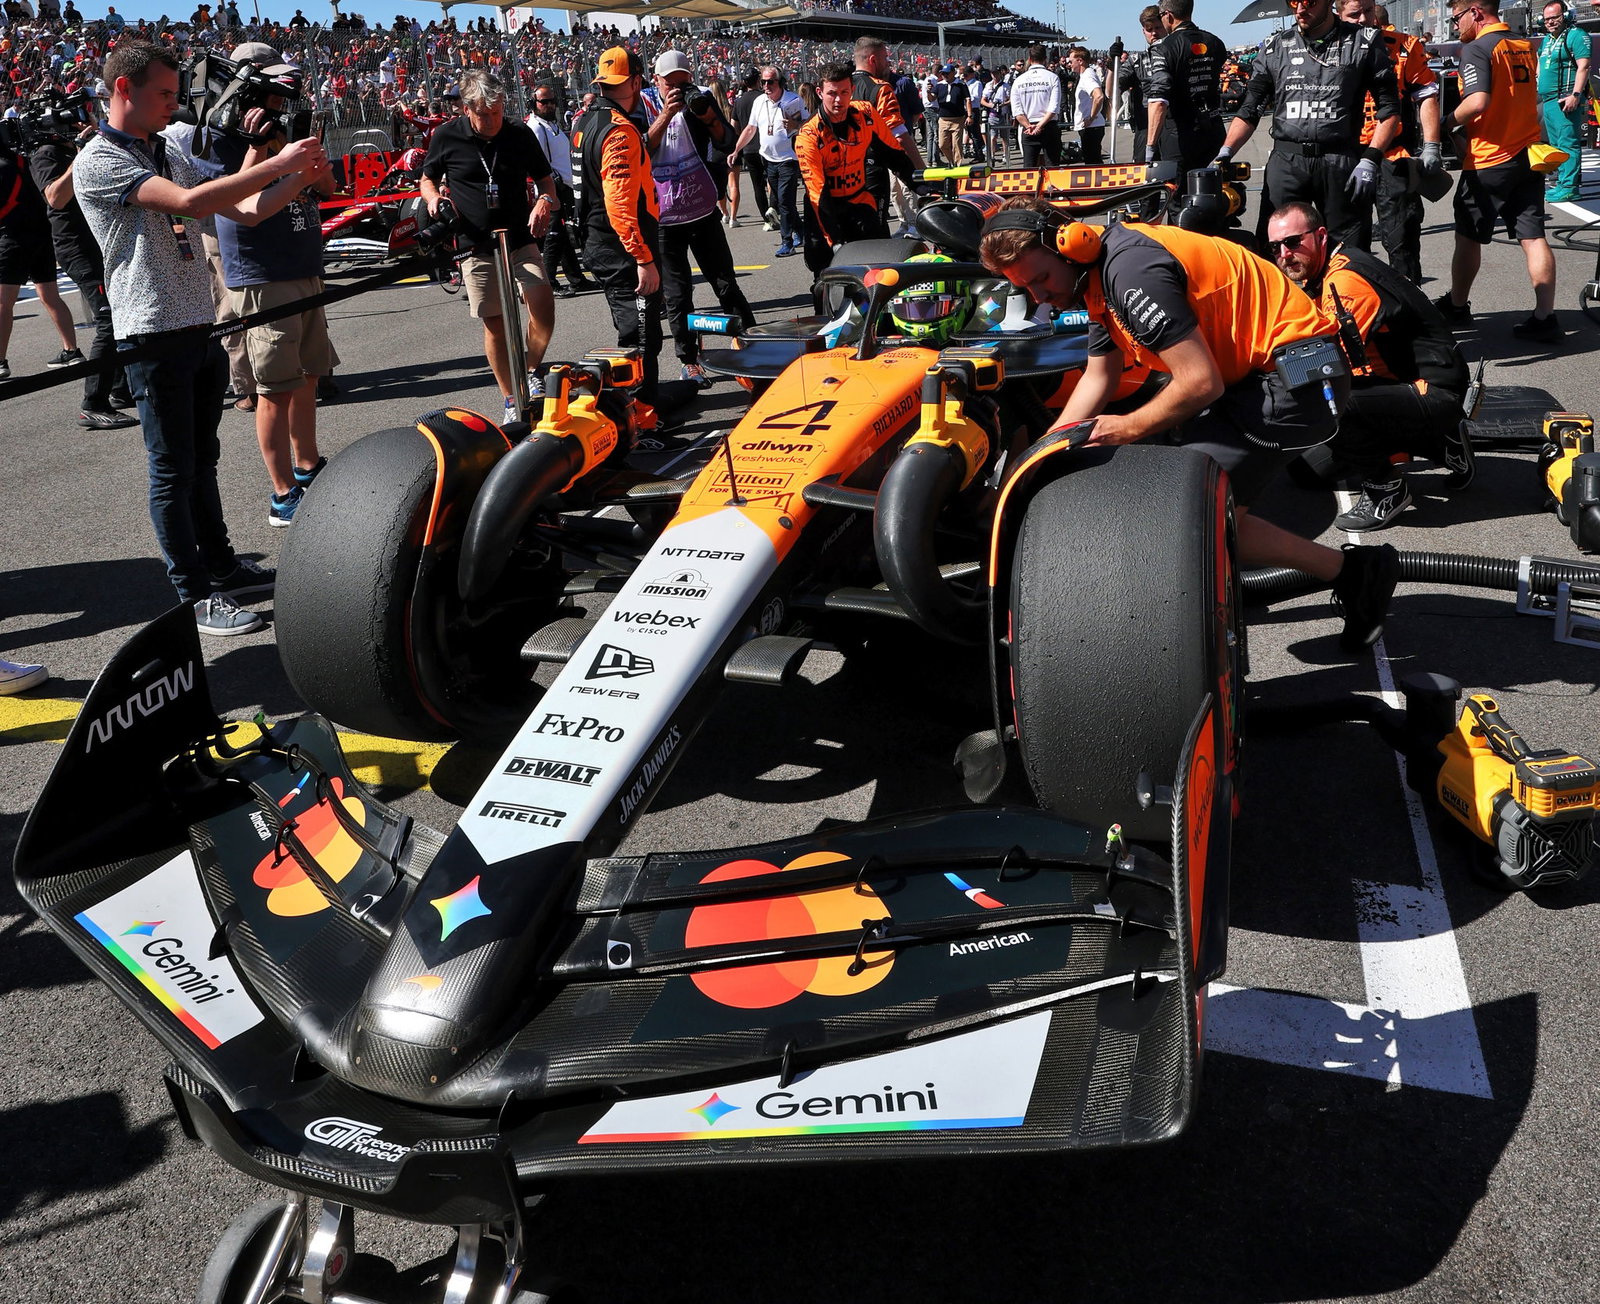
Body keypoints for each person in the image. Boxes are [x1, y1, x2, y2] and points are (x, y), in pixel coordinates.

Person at [978, 198, 1400, 654]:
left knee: (1182, 508)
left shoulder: (1131, 273)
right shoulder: (1097, 276)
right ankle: (1340, 572)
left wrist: (1124, 427)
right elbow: (1100, 376)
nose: (1039, 297)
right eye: (1025, 288)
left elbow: (1200, 383)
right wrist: (1043, 452)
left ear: (1070, 246)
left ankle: (1355, 574)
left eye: (1040, 279)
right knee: (1170, 484)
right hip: (1258, 376)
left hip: (1303, 379)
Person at [73, 40, 328, 635]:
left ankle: (220, 567)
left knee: (203, 461)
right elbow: (189, 202)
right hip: (151, 329)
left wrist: (285, 167)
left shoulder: (160, 147)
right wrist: (278, 162)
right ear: (123, 89)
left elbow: (241, 209)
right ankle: (191, 594)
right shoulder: (100, 158)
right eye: (163, 93)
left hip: (198, 321)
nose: (172, 104)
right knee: (172, 469)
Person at [1268, 200, 1472, 531]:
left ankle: (1387, 488)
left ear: (1320, 236)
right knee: (1305, 471)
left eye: (1293, 242)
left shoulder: (1345, 280)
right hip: (1394, 383)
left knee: (1323, 400)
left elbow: (1324, 366)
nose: (1284, 254)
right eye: (1275, 247)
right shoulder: (1326, 269)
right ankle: (1440, 442)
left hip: (1434, 389)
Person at [211, 40, 335, 527]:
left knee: (307, 377)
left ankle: (308, 467)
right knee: (274, 388)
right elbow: (246, 208)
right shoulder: (221, 133)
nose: (283, 96)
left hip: (302, 262)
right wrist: (270, 154)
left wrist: (311, 166)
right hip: (262, 273)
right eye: (272, 83)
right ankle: (282, 492)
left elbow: (325, 188)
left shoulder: (281, 126)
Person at [421, 68, 558, 424]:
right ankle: (511, 397)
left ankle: (529, 369)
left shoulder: (518, 133)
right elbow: (427, 178)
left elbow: (545, 179)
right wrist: (433, 196)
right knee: (495, 322)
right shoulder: (446, 136)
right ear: (466, 110)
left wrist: (545, 200)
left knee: (542, 303)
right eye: (484, 114)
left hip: (518, 235)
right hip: (475, 242)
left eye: (497, 112)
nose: (493, 120)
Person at [1218, 0, 1402, 250]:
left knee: (1348, 253)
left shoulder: (1364, 41)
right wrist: (1225, 152)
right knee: (1274, 250)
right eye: (1293, 2)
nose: (1300, 9)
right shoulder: (1275, 47)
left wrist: (1371, 157)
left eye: (1309, 2)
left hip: (1340, 160)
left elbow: (1390, 109)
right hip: (1287, 161)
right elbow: (1250, 110)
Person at [1435, 0, 1561, 341]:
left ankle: (1458, 305)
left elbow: (1478, 101)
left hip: (1489, 158)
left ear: (1476, 12)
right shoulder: (1522, 45)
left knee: (1468, 235)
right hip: (1527, 155)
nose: (1455, 25)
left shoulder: (1478, 48)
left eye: (1457, 17)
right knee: (1533, 237)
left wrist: (1444, 124)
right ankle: (1545, 316)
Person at [641, 49, 754, 388]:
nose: (678, 89)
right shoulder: (642, 105)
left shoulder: (701, 98)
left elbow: (726, 142)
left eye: (683, 82)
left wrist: (708, 117)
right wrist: (666, 113)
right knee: (678, 296)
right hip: (664, 218)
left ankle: (752, 342)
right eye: (670, 83)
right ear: (656, 80)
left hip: (702, 210)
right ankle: (689, 361)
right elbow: (640, 150)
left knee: (725, 283)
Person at [28, 95, 138, 428]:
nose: (85, 119)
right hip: (76, 248)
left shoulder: (81, 147)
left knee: (119, 314)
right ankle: (93, 402)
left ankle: (120, 390)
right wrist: (83, 154)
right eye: (78, 115)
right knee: (107, 319)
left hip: (99, 243)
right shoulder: (45, 154)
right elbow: (55, 197)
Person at [571, 45, 665, 411]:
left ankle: (637, 410)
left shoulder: (582, 121)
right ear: (636, 81)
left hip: (600, 241)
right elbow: (619, 204)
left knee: (634, 334)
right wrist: (643, 257)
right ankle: (642, 418)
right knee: (641, 338)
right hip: (622, 248)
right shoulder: (619, 131)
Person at [1337, 0, 1443, 284]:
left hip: (1393, 156)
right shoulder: (1327, 49)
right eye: (1353, 14)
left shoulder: (1404, 46)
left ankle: (1411, 312)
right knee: (1347, 244)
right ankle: (1356, 311)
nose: (1362, 19)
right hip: (1345, 157)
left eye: (1368, 12)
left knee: (1402, 239)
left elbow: (1426, 95)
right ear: (1339, 14)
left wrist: (1432, 145)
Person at [794, 63, 914, 275]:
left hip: (859, 200)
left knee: (877, 266)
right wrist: (835, 239)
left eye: (844, 92)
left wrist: (919, 184)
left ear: (852, 90)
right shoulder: (808, 135)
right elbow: (817, 193)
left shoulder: (865, 113)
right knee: (823, 272)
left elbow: (893, 153)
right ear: (820, 93)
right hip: (824, 208)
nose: (839, 100)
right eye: (832, 93)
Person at [0, 142, 84, 382]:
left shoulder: (3, 165)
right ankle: (71, 350)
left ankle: (0, 361)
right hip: (41, 236)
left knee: (3, 302)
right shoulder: (23, 161)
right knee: (50, 295)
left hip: (11, 238)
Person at [728, 66, 804, 257]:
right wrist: (736, 150)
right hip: (768, 159)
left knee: (785, 201)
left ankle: (787, 241)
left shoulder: (793, 100)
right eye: (763, 82)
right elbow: (750, 129)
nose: (767, 85)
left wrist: (796, 125)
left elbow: (810, 125)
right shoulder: (759, 102)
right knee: (781, 200)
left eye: (771, 81)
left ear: (780, 82)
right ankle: (802, 232)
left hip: (789, 158)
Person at [1143, 0, 1226, 173]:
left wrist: (1150, 148)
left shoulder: (1163, 47)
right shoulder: (1215, 42)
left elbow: (1158, 98)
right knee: (1214, 191)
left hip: (1179, 136)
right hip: (1214, 130)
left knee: (1178, 196)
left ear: (1168, 15)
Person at [528, 81, 593, 297]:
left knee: (563, 236)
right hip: (552, 189)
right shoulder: (536, 127)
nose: (550, 105)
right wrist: (551, 186)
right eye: (544, 102)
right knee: (554, 236)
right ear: (534, 103)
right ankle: (548, 284)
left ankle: (576, 279)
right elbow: (538, 160)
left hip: (565, 186)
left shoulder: (550, 125)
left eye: (552, 101)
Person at [851, 37, 924, 218]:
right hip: (872, 169)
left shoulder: (838, 88)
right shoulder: (881, 88)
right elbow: (898, 135)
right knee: (875, 227)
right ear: (873, 60)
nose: (887, 62)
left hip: (843, 173)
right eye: (885, 58)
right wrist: (922, 172)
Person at [1536, 0, 1589, 204]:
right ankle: (1562, 183)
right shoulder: (1547, 40)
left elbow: (1584, 67)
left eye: (1555, 17)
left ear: (1565, 16)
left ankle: (1569, 187)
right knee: (1557, 144)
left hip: (1564, 98)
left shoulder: (1576, 35)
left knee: (1568, 143)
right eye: (1547, 18)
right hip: (1548, 99)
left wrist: (1575, 95)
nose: (1550, 22)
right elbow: (1540, 62)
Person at [1124, 6, 1168, 164]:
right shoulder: (1136, 59)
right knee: (1143, 175)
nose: (1154, 33)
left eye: (1158, 27)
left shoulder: (1176, 52)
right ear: (1143, 31)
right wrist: (1111, 66)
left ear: (1166, 25)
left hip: (1172, 127)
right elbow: (1113, 88)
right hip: (1145, 127)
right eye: (1149, 29)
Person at [1011, 44, 1063, 167]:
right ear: (1045, 59)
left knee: (1029, 170)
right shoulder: (1053, 78)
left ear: (1029, 59)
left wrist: (1029, 126)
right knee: (1053, 168)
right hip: (1048, 126)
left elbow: (1017, 111)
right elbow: (1054, 108)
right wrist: (1039, 126)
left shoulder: (1018, 81)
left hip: (1028, 127)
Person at [1068, 47, 1106, 165]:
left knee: (1093, 162)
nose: (1070, 64)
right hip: (1090, 126)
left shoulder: (1087, 76)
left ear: (1080, 61)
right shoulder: (1085, 76)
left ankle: (1098, 183)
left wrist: (1091, 117)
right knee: (1092, 160)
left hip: (1091, 127)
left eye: (1071, 61)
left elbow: (1098, 96)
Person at [930, 63, 971, 168]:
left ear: (953, 73)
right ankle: (951, 161)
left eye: (947, 73)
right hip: (943, 119)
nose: (945, 76)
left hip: (957, 119)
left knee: (956, 144)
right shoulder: (939, 85)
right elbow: (932, 98)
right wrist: (928, 91)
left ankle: (957, 165)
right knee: (942, 144)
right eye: (943, 74)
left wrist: (969, 115)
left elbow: (967, 99)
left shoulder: (960, 85)